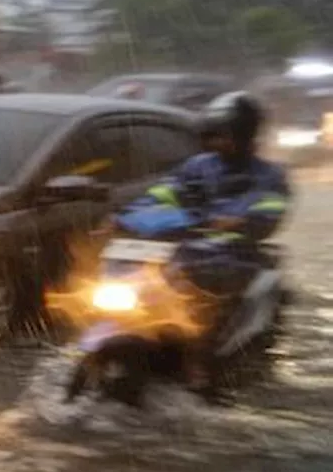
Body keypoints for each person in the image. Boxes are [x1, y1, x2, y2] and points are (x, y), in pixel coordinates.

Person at [122, 91, 291, 391]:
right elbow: (163, 195)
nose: (215, 142)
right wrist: (125, 216)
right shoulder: (198, 167)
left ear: (243, 135)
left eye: (222, 135)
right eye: (212, 135)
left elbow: (270, 211)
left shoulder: (269, 176)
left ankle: (200, 365)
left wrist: (243, 222)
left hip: (235, 260)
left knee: (204, 319)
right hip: (183, 256)